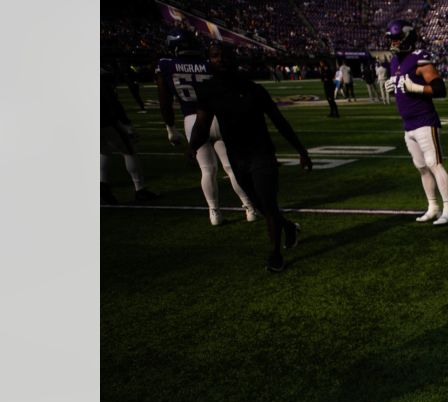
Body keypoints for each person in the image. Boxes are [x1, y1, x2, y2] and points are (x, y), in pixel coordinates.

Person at [189, 42, 313, 272]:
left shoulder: (254, 89)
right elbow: (202, 124)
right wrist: (192, 146)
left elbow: (279, 121)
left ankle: (275, 255)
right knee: (260, 206)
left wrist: (301, 151)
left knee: (268, 202)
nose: (220, 60)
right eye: (215, 56)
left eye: (224, 56)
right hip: (236, 156)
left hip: (261, 153)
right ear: (209, 60)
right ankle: (288, 227)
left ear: (234, 59)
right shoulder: (208, 90)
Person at [155, 28, 259, 226]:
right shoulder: (208, 63)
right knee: (230, 167)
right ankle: (250, 208)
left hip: (192, 119)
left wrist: (170, 128)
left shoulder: (165, 65)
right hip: (218, 116)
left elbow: (164, 101)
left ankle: (214, 213)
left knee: (207, 170)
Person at [385, 20, 448, 224]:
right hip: (408, 124)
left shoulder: (419, 58)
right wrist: (394, 88)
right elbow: (403, 89)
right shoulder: (394, 61)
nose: (393, 43)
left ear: (408, 38)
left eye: (397, 39)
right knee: (422, 168)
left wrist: (418, 89)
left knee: (435, 164)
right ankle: (433, 206)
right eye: (391, 39)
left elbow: (440, 89)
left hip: (425, 120)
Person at [101, 67, 160, 205]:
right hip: (106, 121)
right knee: (129, 150)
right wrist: (125, 123)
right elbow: (111, 101)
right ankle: (140, 189)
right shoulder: (101, 81)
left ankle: (103, 189)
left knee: (104, 151)